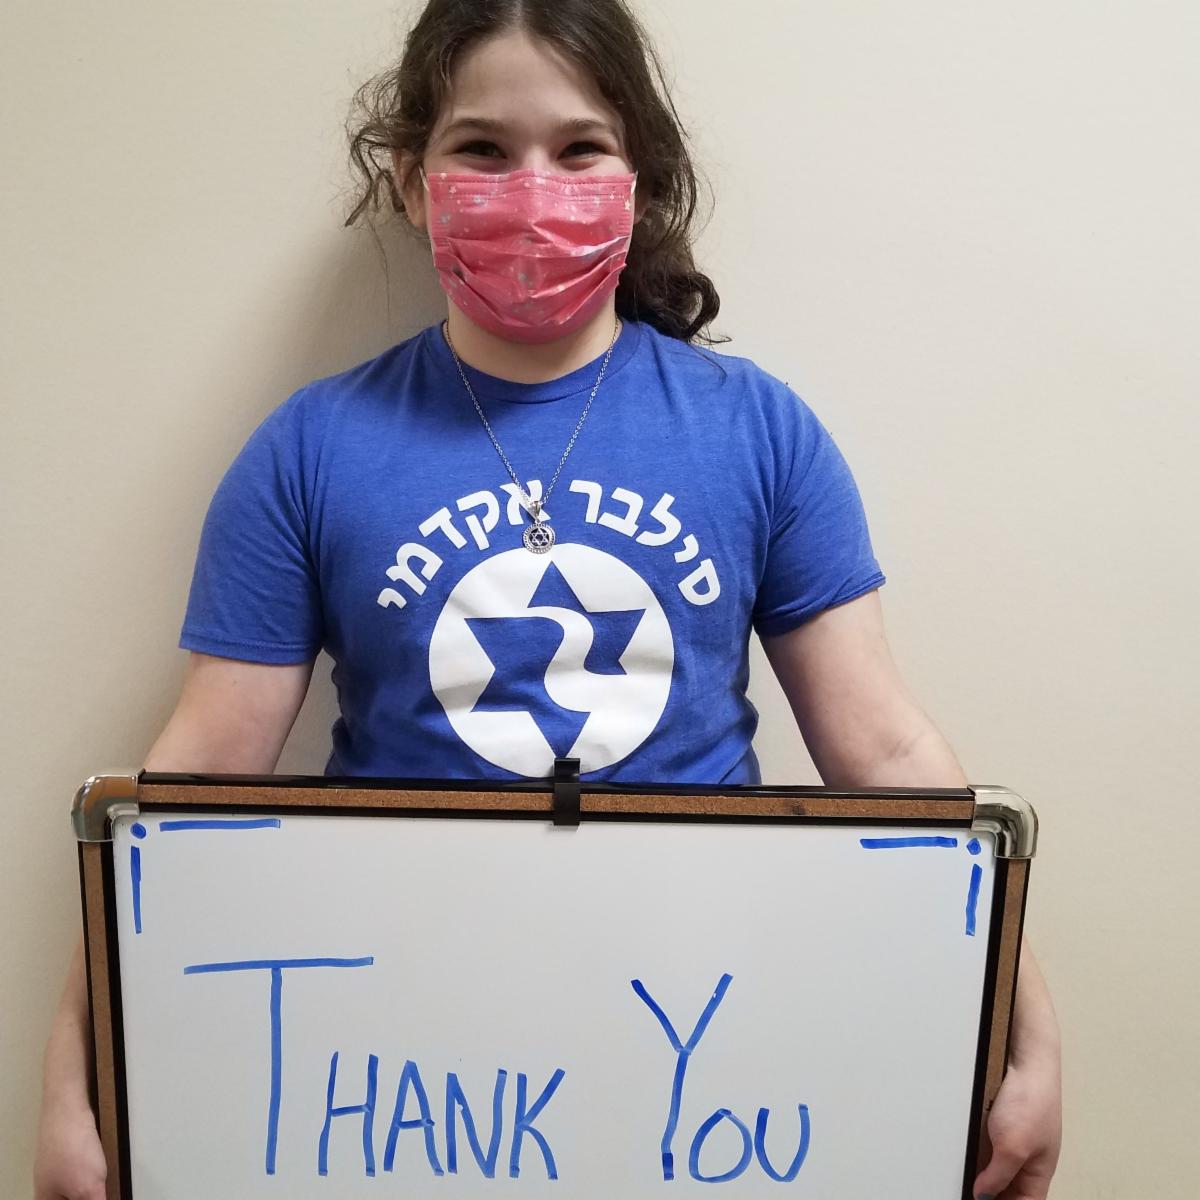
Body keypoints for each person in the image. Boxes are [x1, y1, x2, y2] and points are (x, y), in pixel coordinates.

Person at [34, 2, 1062, 1197]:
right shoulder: (309, 449)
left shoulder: (759, 431)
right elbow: (184, 799)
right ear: (412, 181)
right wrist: (74, 1076)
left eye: (580, 149)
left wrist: (1024, 1024)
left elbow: (886, 755)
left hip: (710, 1044)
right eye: (482, 148)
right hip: (397, 1060)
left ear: (640, 180)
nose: (533, 188)